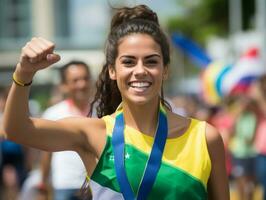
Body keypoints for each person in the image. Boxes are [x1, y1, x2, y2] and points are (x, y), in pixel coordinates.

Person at [3, 4, 229, 200]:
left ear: (165, 70)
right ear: (112, 70)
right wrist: (24, 73)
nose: (140, 71)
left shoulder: (205, 137)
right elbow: (15, 129)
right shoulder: (94, 134)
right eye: (128, 62)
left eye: (151, 61)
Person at [39, 61, 94, 200]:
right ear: (64, 85)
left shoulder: (104, 111)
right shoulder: (53, 114)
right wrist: (43, 183)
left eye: (85, 78)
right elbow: (46, 153)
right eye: (75, 80)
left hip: (97, 184)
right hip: (65, 185)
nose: (82, 84)